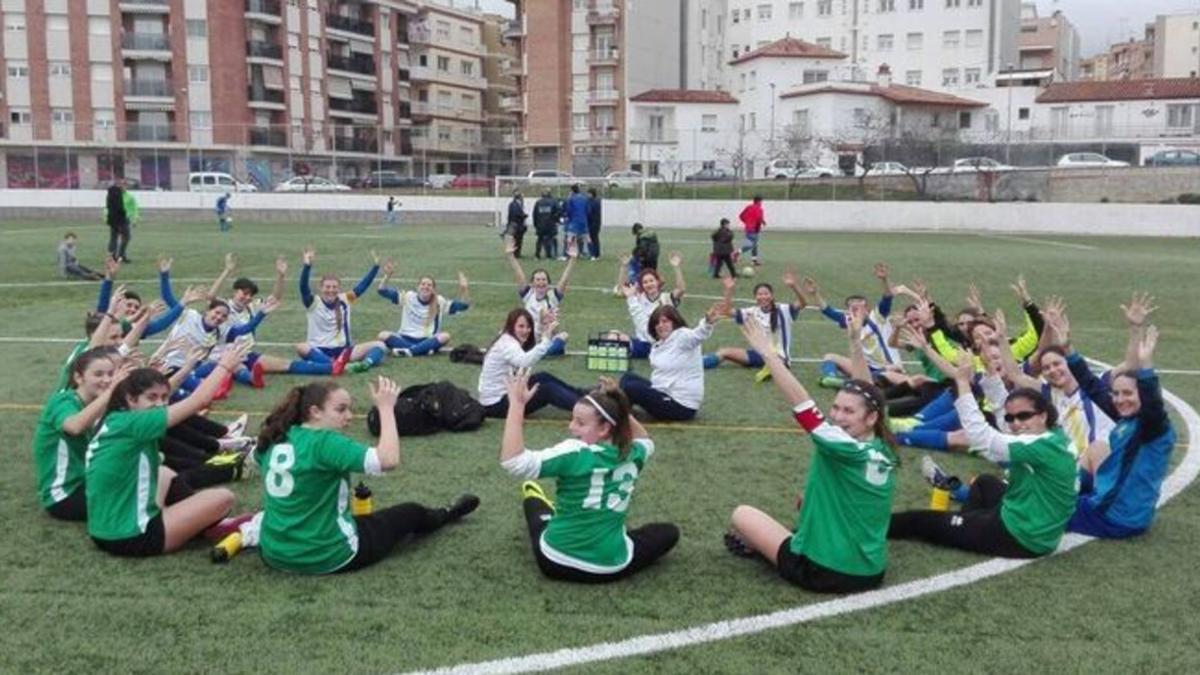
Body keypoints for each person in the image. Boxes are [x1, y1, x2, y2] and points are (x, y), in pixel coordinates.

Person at [725, 318, 898, 593]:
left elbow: (802, 404)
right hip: (871, 572)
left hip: (822, 571)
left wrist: (769, 355)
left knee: (741, 515)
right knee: (806, 502)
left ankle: (759, 548)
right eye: (836, 408)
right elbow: (869, 393)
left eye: (848, 411)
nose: (838, 417)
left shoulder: (843, 445)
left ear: (870, 417)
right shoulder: (883, 446)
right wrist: (855, 344)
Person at [254, 378, 479, 574]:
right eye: (341, 409)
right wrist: (386, 409)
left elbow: (259, 459)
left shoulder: (276, 436)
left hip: (274, 553)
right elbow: (388, 459)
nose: (349, 417)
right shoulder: (325, 442)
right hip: (325, 555)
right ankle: (448, 513)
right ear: (315, 412)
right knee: (411, 512)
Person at [888, 351, 1078, 559]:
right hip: (1035, 525)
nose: (1016, 424)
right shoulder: (1053, 434)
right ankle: (964, 525)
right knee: (984, 483)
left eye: (1024, 416)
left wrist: (962, 383)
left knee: (920, 521)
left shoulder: (1035, 445)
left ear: (1042, 415)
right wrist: (990, 374)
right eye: (1012, 418)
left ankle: (880, 528)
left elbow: (980, 435)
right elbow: (1004, 419)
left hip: (1020, 537)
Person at [500, 372, 679, 582]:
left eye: (580, 422)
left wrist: (517, 406)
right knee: (668, 533)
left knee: (536, 515)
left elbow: (513, 461)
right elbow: (645, 440)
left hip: (555, 562)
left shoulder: (575, 452)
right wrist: (621, 405)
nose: (571, 426)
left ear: (604, 428)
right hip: (609, 568)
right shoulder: (635, 452)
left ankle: (534, 498)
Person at [85, 343, 251, 557]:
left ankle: (193, 519)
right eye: (152, 398)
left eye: (164, 398)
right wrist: (225, 367)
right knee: (224, 498)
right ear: (131, 399)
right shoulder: (137, 423)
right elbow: (198, 400)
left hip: (102, 530)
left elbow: (166, 399)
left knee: (164, 472)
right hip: (134, 537)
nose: (160, 405)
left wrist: (185, 368)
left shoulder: (116, 418)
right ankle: (203, 523)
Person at [1065, 293, 1175, 538]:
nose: (1119, 399)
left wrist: (1146, 366)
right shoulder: (1130, 419)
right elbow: (1091, 385)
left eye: (1127, 393)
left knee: (1039, 506)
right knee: (1094, 450)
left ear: (1143, 394)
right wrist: (1068, 349)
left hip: (1113, 518)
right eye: (1116, 393)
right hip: (1120, 510)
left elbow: (1154, 404)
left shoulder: (1153, 424)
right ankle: (1069, 489)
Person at [33, 348, 130, 521]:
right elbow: (74, 426)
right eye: (98, 374)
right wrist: (110, 392)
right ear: (79, 378)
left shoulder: (95, 402)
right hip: (63, 495)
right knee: (139, 493)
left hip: (88, 481)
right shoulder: (63, 401)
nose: (107, 380)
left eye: (110, 374)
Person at [290, 247, 388, 375]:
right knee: (301, 347)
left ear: (339, 288)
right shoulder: (313, 302)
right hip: (319, 350)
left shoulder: (345, 299)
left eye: (334, 287)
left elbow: (362, 286)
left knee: (380, 345)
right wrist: (307, 266)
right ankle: (337, 365)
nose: (331, 290)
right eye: (327, 287)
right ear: (320, 288)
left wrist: (375, 267)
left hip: (344, 351)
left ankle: (364, 364)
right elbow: (303, 287)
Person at [620, 303, 723, 421]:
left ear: (674, 322)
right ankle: (622, 410)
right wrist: (632, 300)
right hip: (663, 392)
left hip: (681, 405)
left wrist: (707, 323)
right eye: (657, 323)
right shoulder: (659, 343)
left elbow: (697, 335)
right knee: (628, 378)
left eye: (665, 321)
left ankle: (619, 415)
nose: (660, 325)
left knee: (631, 388)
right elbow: (641, 323)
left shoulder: (682, 336)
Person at [477, 309, 583, 417]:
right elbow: (524, 361)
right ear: (511, 325)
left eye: (528, 327)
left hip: (505, 394)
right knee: (547, 390)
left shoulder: (508, 337)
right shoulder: (507, 344)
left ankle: (585, 397)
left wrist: (543, 325)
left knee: (543, 377)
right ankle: (586, 410)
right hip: (496, 404)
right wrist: (546, 338)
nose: (526, 330)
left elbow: (530, 344)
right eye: (521, 326)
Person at [704, 272, 806, 382]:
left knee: (777, 360)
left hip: (778, 356)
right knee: (724, 352)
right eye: (759, 294)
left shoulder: (784, 309)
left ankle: (772, 368)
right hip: (759, 355)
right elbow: (727, 311)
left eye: (766, 294)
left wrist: (794, 286)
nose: (763, 297)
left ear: (772, 296)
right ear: (755, 297)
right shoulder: (751, 312)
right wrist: (729, 289)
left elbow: (803, 303)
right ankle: (695, 364)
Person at [375, 260, 470, 357]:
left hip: (427, 339)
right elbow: (382, 291)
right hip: (404, 338)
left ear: (433, 289)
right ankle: (421, 350)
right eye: (423, 284)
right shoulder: (408, 297)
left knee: (445, 336)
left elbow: (464, 306)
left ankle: (410, 351)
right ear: (417, 287)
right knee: (382, 335)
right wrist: (387, 276)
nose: (425, 287)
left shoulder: (439, 301)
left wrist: (464, 288)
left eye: (429, 285)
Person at [506, 239, 576, 356]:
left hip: (546, 336)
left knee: (564, 336)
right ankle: (543, 352)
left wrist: (573, 259)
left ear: (548, 283)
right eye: (537, 279)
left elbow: (564, 279)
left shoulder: (553, 296)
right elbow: (519, 275)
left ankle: (539, 351)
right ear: (532, 283)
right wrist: (510, 256)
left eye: (543, 279)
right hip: (529, 335)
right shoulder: (529, 295)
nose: (541, 282)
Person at [618, 252, 687, 359]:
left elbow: (681, 289)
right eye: (645, 282)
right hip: (643, 342)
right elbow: (622, 290)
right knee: (613, 335)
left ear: (658, 282)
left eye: (651, 281)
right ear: (642, 285)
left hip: (661, 343)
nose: (649, 284)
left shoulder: (666, 298)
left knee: (618, 342)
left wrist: (676, 267)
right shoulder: (639, 297)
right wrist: (624, 267)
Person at [104, 180, 132, 263]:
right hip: (120, 220)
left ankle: (112, 257)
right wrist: (124, 214)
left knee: (113, 238)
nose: (125, 188)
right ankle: (121, 255)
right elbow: (119, 207)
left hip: (112, 219)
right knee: (127, 236)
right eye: (124, 186)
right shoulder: (117, 193)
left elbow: (108, 206)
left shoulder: (110, 193)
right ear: (120, 185)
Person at [562, 184, 590, 261]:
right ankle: (587, 254)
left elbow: (569, 211)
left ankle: (569, 254)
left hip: (574, 221)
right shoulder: (584, 199)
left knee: (570, 238)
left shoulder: (571, 199)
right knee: (585, 238)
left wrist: (567, 217)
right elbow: (588, 210)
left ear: (572, 191)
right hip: (583, 221)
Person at [532, 190, 561, 260]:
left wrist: (535, 224)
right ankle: (548, 255)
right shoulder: (553, 202)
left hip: (540, 225)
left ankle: (537, 255)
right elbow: (559, 211)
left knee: (539, 240)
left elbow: (534, 215)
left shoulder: (538, 202)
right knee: (549, 239)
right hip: (550, 224)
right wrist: (555, 219)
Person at [738, 195, 766, 267]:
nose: (761, 203)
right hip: (754, 230)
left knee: (754, 245)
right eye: (761, 201)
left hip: (748, 228)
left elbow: (741, 216)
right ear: (758, 201)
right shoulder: (759, 209)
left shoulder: (748, 207)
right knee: (751, 245)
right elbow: (759, 218)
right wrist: (763, 222)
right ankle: (736, 253)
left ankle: (754, 261)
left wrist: (746, 222)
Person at [505, 190, 527, 257]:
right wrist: (524, 216)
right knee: (517, 240)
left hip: (516, 224)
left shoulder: (517, 204)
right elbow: (516, 215)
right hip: (516, 225)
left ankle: (517, 253)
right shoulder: (514, 204)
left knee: (518, 240)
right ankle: (516, 254)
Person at [586, 187, 602, 260]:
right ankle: (596, 254)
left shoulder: (592, 202)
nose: (587, 195)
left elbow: (589, 212)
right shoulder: (597, 201)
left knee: (592, 239)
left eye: (588, 194)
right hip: (596, 223)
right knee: (595, 239)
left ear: (591, 194)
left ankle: (593, 254)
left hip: (592, 223)